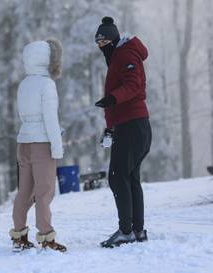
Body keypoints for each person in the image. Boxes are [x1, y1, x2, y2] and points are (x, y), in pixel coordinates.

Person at [94, 17, 152, 248]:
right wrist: (109, 128)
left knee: (118, 177)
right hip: (130, 125)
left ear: (113, 39)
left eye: (104, 41)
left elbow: (133, 84)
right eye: (97, 43)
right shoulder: (117, 56)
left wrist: (113, 97)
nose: (101, 47)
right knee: (129, 178)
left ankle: (126, 231)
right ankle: (136, 230)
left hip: (133, 124)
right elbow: (115, 101)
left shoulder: (126, 54)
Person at [9, 39, 66, 252]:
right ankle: (46, 237)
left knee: (24, 191)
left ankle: (19, 235)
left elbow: (26, 115)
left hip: (23, 142)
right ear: (48, 60)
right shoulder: (47, 84)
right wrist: (57, 146)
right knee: (44, 192)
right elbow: (50, 118)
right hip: (42, 143)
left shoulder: (24, 84)